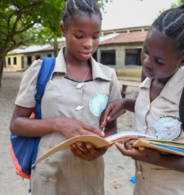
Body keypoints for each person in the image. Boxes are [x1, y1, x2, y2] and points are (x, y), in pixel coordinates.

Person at [101, 3, 184, 195]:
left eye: (158, 61)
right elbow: (153, 108)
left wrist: (157, 159)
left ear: (182, 61)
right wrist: (124, 103)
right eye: (145, 51)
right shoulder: (149, 77)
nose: (146, 62)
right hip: (144, 187)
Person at [9, 0, 121, 194]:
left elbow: (111, 127)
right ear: (63, 29)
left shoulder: (108, 77)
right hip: (48, 177)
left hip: (89, 178)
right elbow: (17, 124)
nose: (88, 44)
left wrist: (101, 148)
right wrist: (58, 124)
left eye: (95, 36)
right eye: (79, 36)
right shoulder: (41, 71)